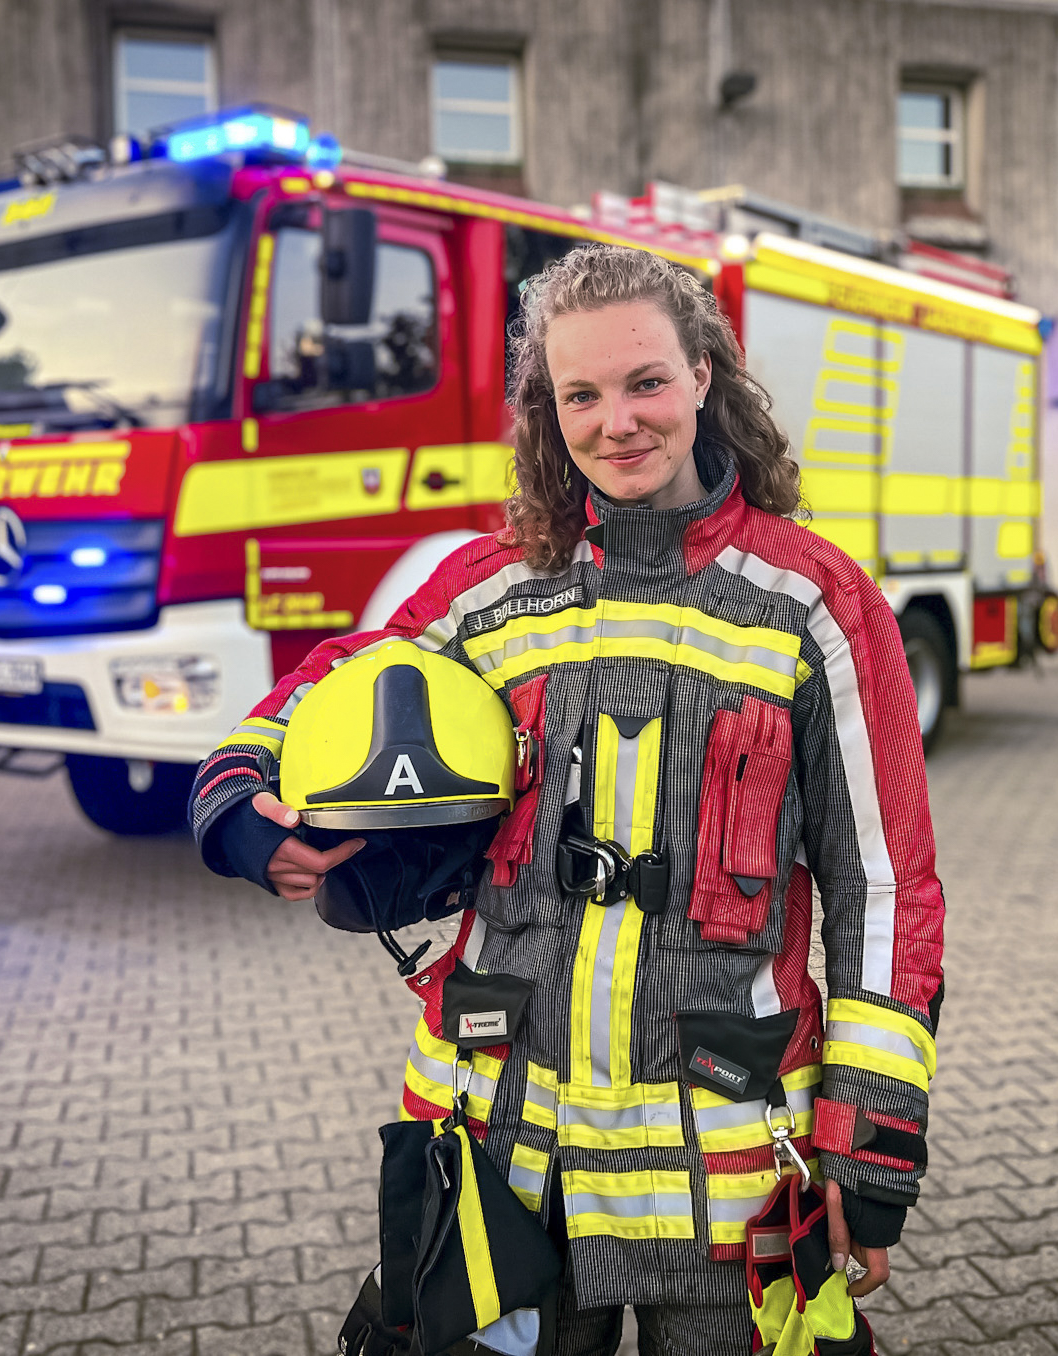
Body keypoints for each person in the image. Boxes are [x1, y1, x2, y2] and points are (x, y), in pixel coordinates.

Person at [190, 243, 945, 1355]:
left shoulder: (813, 604)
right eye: (580, 394)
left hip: (728, 1175)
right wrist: (237, 795)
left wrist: (868, 1144)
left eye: (646, 383)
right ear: (549, 408)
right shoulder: (489, 591)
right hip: (503, 1155)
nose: (616, 422)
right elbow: (335, 691)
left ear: (703, 375)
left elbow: (882, 890)